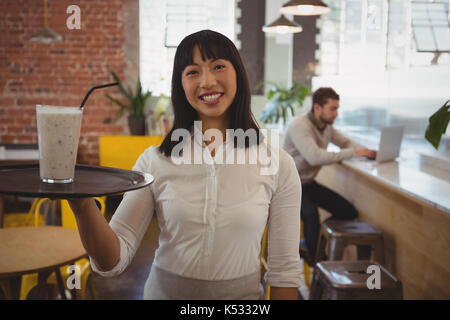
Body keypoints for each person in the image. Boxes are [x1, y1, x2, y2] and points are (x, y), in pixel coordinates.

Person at [68, 30, 302, 300]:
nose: (207, 81)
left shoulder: (278, 164)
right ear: (180, 85)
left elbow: (284, 270)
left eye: (218, 66)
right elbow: (111, 262)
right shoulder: (154, 160)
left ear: (237, 73)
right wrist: (83, 205)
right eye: (193, 72)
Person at [283, 87, 376, 265]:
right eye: (332, 108)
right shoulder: (299, 125)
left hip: (307, 183)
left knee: (348, 212)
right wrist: (353, 153)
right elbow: (315, 157)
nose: (336, 113)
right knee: (311, 215)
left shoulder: (326, 127)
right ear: (317, 108)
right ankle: (318, 263)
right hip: (287, 184)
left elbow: (346, 142)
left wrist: (365, 152)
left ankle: (313, 243)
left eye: (337, 108)